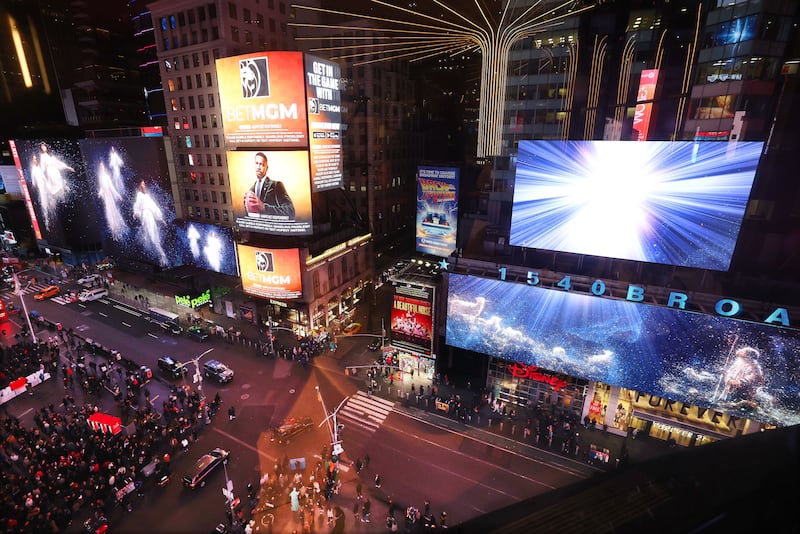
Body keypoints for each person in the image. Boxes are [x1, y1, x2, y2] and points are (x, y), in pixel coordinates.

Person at [243, 152, 295, 219]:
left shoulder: (276, 186)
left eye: (261, 164)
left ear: (266, 168)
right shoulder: (251, 190)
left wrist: (264, 207)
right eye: (256, 163)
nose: (258, 167)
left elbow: (290, 211)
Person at [132, 180, 168, 265]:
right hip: (146, 215)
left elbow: (154, 207)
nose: (144, 185)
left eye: (144, 184)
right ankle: (157, 252)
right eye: (143, 184)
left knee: (154, 232)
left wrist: (160, 218)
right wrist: (135, 213)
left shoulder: (147, 196)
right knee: (150, 233)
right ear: (140, 186)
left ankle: (161, 255)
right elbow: (137, 205)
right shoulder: (139, 195)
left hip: (150, 215)